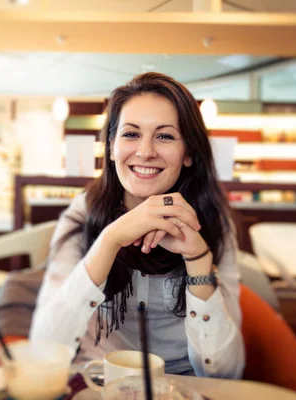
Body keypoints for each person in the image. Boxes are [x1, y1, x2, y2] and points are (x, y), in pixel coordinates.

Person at [30, 73, 245, 378]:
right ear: (111, 147)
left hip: (180, 387)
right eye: (131, 134)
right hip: (99, 382)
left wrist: (198, 259)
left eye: (165, 136)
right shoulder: (84, 213)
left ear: (188, 154)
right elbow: (43, 351)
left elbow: (224, 374)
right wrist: (110, 240)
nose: (145, 151)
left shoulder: (212, 221)